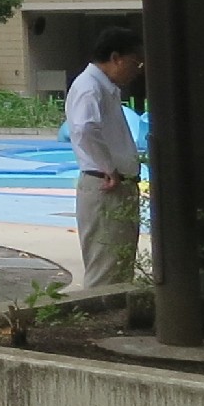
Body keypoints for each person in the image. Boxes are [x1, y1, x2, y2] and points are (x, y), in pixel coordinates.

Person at [66, 27, 145, 288]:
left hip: (115, 183)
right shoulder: (89, 87)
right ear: (116, 58)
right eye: (135, 62)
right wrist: (108, 168)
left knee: (119, 267)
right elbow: (84, 128)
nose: (137, 69)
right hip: (106, 185)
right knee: (106, 271)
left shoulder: (103, 87)